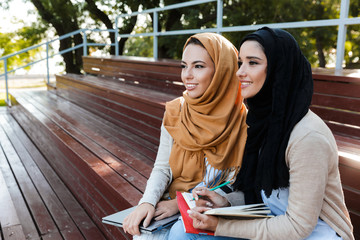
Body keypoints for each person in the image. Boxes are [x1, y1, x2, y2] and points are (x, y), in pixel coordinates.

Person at [173, 27, 354, 240]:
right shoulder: (263, 123)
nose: (240, 72)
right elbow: (263, 195)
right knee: (182, 232)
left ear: (279, 70)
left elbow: (297, 227)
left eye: (253, 62)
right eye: (240, 62)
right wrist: (225, 202)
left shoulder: (308, 138)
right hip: (272, 222)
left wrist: (221, 225)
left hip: (311, 235)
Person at [122, 32, 248, 239]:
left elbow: (239, 186)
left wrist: (179, 204)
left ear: (222, 72)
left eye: (198, 66)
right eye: (184, 65)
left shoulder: (245, 123)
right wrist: (147, 202)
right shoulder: (176, 111)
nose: (187, 75)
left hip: (215, 210)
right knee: (144, 234)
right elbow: (162, 167)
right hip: (175, 201)